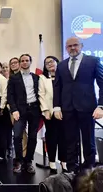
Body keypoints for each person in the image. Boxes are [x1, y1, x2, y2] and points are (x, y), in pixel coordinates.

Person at [54, 37, 103, 173]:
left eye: (75, 45)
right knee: (70, 141)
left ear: (81, 46)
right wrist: (56, 107)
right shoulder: (62, 65)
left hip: (87, 108)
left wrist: (101, 106)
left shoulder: (93, 61)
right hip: (67, 108)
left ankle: (89, 172)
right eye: (69, 46)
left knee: (88, 141)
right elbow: (57, 87)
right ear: (66, 48)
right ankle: (71, 170)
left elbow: (102, 83)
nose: (72, 48)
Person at [7, 54, 41, 174]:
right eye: (22, 61)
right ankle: (19, 161)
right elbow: (10, 96)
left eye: (27, 60)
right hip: (19, 111)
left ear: (30, 62)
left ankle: (29, 161)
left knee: (32, 137)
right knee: (17, 136)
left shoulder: (37, 77)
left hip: (34, 110)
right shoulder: (14, 78)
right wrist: (14, 110)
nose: (25, 62)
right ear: (20, 63)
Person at [38, 56, 67, 174]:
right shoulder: (42, 78)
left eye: (51, 61)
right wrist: (45, 111)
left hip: (64, 112)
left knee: (63, 137)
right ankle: (52, 162)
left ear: (57, 63)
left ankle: (64, 161)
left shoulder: (64, 77)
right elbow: (41, 94)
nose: (49, 64)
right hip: (49, 113)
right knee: (51, 137)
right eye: (46, 63)